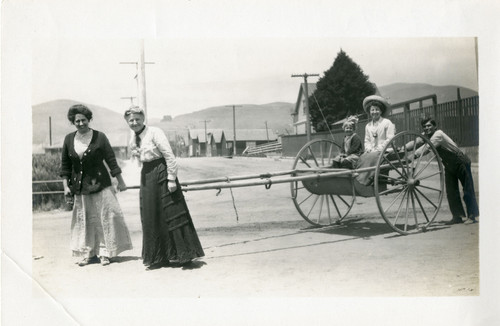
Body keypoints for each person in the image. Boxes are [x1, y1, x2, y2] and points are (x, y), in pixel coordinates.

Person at [123, 106, 204, 271]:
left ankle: (184, 255)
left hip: (161, 171)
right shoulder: (132, 135)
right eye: (131, 120)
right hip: (147, 174)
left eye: (137, 119)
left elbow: (169, 155)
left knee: (172, 212)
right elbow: (138, 156)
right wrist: (137, 154)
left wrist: (171, 179)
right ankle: (158, 257)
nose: (134, 122)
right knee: (150, 213)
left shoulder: (155, 132)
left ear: (143, 118)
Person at [60, 104, 132, 267]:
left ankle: (105, 253)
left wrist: (120, 181)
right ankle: (89, 253)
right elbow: (65, 165)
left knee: (104, 218)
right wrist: (66, 186)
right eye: (77, 121)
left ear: (89, 120)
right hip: (80, 187)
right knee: (85, 220)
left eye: (83, 120)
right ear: (73, 122)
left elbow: (111, 160)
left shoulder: (100, 137)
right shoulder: (69, 139)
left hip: (101, 185)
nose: (80, 123)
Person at [409, 117, 479, 225]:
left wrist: (413, 155)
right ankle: (457, 216)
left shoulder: (438, 134)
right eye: (425, 126)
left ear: (435, 126)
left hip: (459, 161)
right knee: (451, 191)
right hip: (448, 164)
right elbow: (416, 142)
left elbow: (428, 147)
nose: (427, 128)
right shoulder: (427, 135)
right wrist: (402, 149)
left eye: (429, 126)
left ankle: (472, 216)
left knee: (467, 189)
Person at [356, 95, 396, 185]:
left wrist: (378, 148)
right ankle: (360, 179)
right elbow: (367, 140)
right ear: (369, 112)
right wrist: (369, 148)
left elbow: (390, 139)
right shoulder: (368, 125)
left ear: (381, 111)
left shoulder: (387, 123)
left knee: (371, 157)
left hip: (385, 150)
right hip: (372, 151)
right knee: (362, 157)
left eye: (377, 109)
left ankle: (367, 180)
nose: (375, 112)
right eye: (372, 110)